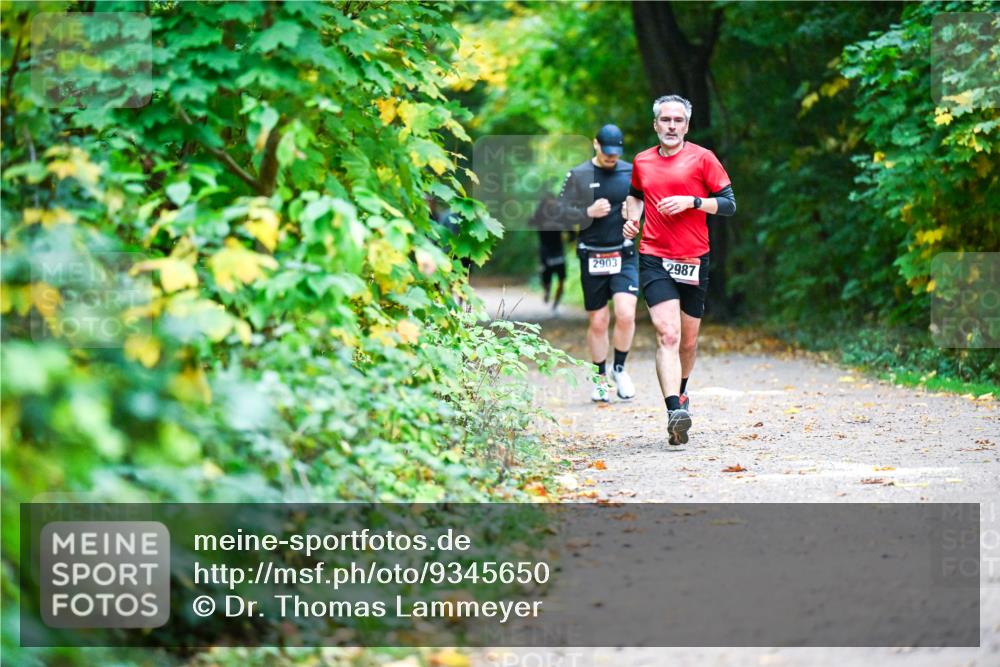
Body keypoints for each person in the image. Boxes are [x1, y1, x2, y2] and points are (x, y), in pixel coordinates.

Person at [623, 95, 736, 445]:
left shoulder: (703, 159)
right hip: (654, 256)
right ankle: (674, 411)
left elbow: (730, 204)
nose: (671, 126)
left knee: (688, 342)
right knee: (667, 335)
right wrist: (632, 218)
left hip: (694, 259)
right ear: (655, 124)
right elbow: (636, 195)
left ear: (686, 125)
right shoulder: (642, 160)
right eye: (665, 120)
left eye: (678, 121)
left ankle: (682, 394)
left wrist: (694, 202)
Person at [557, 124, 639, 402]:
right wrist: (587, 212)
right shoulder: (578, 175)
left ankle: (620, 368)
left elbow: (646, 204)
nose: (611, 158)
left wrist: (636, 214)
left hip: (623, 253)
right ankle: (600, 378)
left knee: (626, 313)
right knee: (599, 321)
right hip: (592, 254)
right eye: (607, 153)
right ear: (595, 145)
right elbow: (560, 215)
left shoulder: (631, 172)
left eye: (616, 154)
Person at [530, 192, 567, 314]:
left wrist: (571, 236)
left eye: (553, 202)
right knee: (546, 279)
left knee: (562, 280)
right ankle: (546, 291)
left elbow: (570, 228)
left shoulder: (560, 215)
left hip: (559, 251)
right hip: (545, 251)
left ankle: (555, 306)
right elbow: (530, 221)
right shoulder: (540, 215)